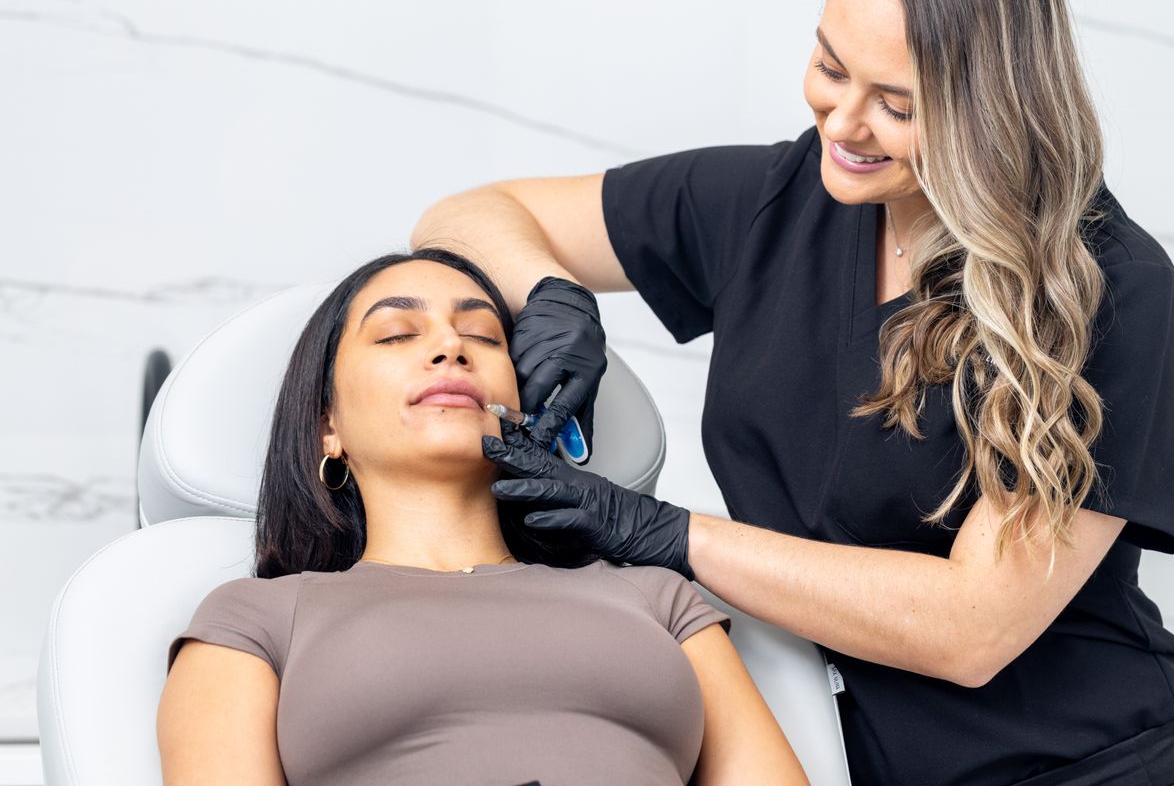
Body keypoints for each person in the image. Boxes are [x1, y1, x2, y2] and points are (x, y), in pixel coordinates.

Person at [412, 0, 1174, 786]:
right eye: (830, 69)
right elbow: (468, 217)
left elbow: (973, 628)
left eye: (896, 107)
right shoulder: (776, 204)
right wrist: (553, 295)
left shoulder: (1107, 291)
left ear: (994, 110)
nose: (840, 124)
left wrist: (664, 534)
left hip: (1073, 767)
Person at [156, 248, 810, 786]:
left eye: (482, 336)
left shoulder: (656, 597)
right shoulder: (257, 620)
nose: (449, 347)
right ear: (328, 426)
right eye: (397, 333)